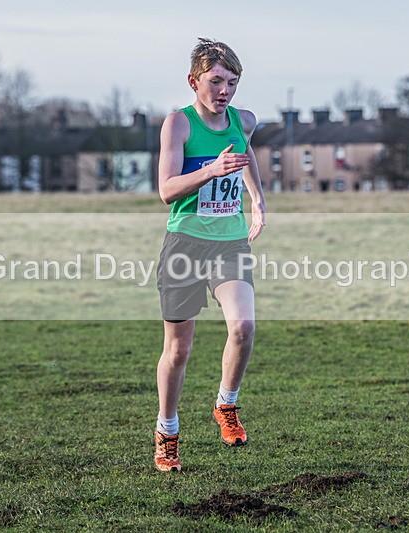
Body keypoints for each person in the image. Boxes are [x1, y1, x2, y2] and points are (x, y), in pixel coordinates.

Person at [153, 38, 266, 472]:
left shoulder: (245, 120)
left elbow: (246, 153)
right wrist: (209, 171)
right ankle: (167, 431)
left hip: (229, 242)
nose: (225, 91)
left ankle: (226, 405)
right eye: (216, 81)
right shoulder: (177, 125)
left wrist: (257, 200)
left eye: (232, 82)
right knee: (178, 350)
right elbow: (165, 191)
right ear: (194, 81)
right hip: (185, 243)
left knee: (243, 326)